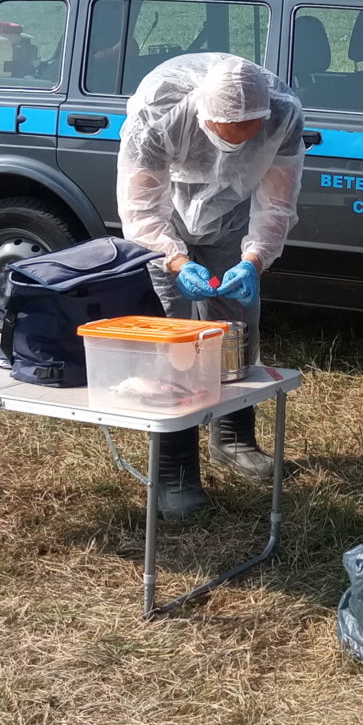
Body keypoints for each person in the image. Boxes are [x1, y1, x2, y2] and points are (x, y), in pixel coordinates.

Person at [116, 52, 305, 517]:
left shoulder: (282, 115)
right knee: (173, 339)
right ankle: (174, 470)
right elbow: (141, 209)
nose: (235, 145)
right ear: (204, 115)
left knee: (234, 329)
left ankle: (233, 438)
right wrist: (176, 260)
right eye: (225, 134)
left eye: (247, 134)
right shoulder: (159, 112)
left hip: (232, 215)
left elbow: (277, 203)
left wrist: (254, 260)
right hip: (165, 215)